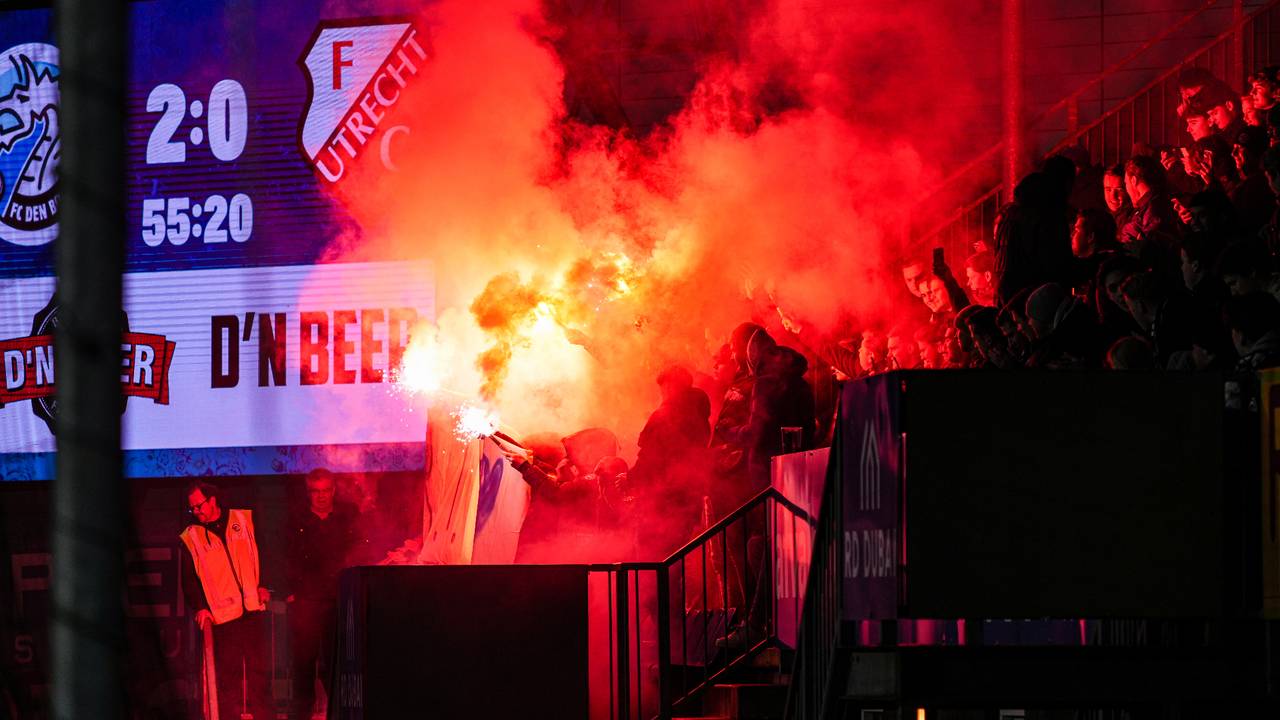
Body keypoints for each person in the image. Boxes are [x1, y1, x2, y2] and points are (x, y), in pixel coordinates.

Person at [179, 481, 273, 720]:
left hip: (253, 610)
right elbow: (188, 580)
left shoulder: (243, 519)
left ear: (212, 500)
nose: (197, 512)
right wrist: (200, 607)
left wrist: (266, 585)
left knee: (260, 676)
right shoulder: (191, 537)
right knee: (227, 681)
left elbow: (267, 553)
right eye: (193, 509)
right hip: (223, 618)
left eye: (199, 506)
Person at [285, 469, 358, 720]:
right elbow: (284, 557)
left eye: (325, 490)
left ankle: (341, 714)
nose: (321, 496)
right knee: (303, 667)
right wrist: (291, 592)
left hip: (338, 603)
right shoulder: (297, 522)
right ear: (309, 493)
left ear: (333, 491)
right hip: (306, 604)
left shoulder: (346, 519)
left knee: (337, 665)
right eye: (316, 491)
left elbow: (358, 554)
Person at [1103, 163, 1134, 236]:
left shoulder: (1130, 222)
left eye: (1119, 190)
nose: (1113, 196)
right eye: (1108, 189)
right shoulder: (1105, 218)